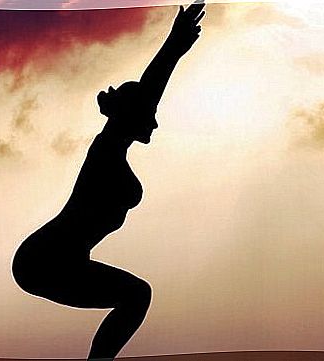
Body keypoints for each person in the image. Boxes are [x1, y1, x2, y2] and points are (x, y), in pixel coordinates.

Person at [11, 2, 205, 360]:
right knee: (136, 295)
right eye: (150, 114)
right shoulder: (106, 149)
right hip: (43, 260)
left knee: (134, 295)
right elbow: (147, 92)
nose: (156, 122)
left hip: (57, 260)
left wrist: (175, 48)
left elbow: (145, 98)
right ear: (131, 114)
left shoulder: (115, 147)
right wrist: (172, 47)